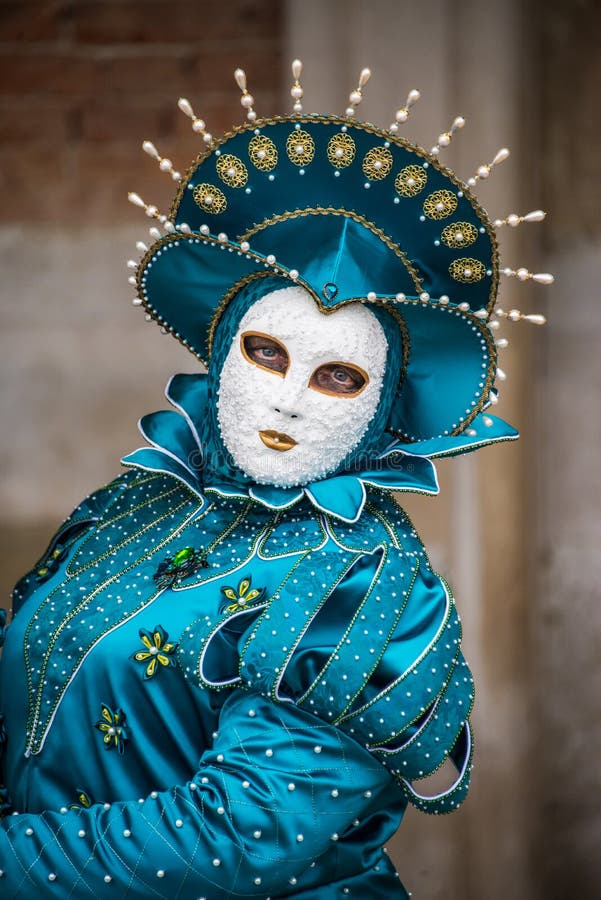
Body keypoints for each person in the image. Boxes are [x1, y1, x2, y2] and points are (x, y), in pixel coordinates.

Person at [0, 62, 550, 898]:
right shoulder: (139, 502)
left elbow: (241, 837)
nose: (289, 400)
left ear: (379, 408)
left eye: (338, 377)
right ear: (223, 355)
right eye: (267, 353)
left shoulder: (366, 587)